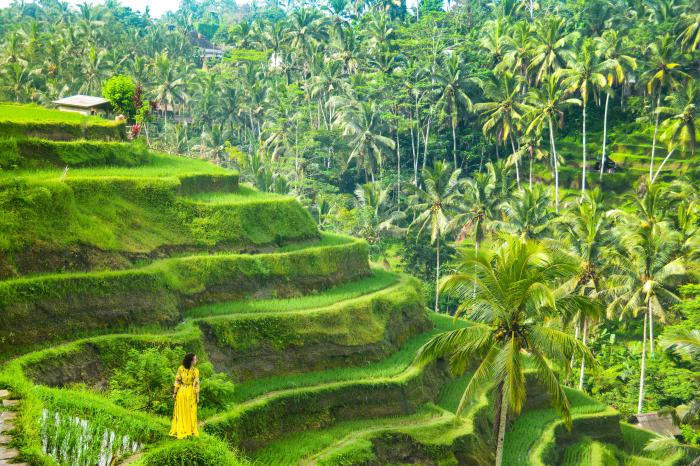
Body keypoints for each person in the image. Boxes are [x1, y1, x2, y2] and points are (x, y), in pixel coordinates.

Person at [169, 352, 200, 439]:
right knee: (187, 411)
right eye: (195, 359)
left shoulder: (183, 369)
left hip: (183, 391)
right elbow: (196, 385)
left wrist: (175, 393)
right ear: (191, 361)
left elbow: (177, 382)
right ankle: (188, 430)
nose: (196, 360)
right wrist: (197, 397)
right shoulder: (193, 371)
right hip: (187, 393)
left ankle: (184, 429)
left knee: (184, 411)